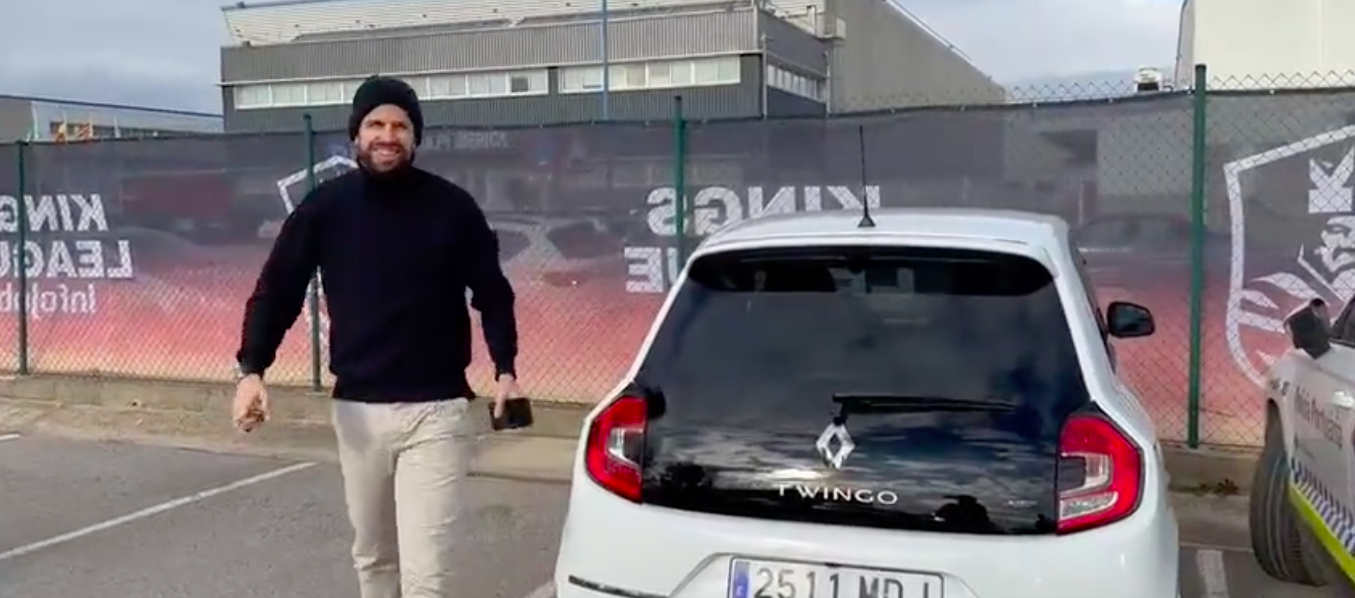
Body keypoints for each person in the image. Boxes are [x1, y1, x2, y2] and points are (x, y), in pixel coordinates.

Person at [230, 75, 521, 598]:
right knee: (374, 559)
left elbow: (493, 294)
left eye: (400, 125)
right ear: (356, 135)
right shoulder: (325, 209)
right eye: (375, 124)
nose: (387, 135)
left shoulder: (453, 208)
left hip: (437, 411)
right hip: (357, 415)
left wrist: (506, 370)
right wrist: (252, 370)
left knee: (426, 576)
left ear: (416, 137)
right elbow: (277, 291)